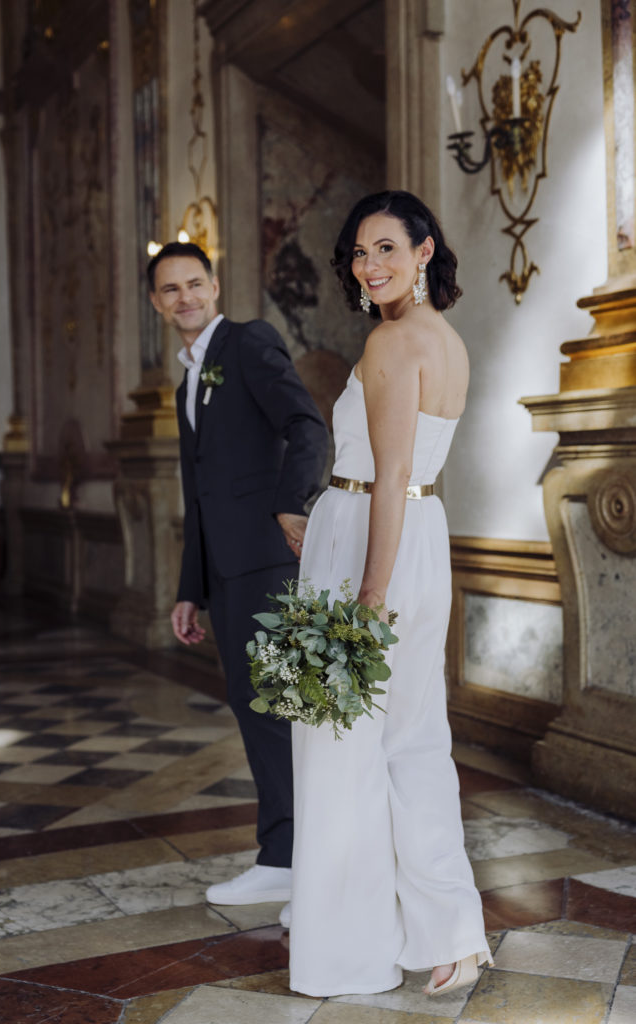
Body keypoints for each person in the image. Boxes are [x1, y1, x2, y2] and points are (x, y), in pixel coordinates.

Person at [287, 192, 492, 997]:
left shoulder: (390, 340)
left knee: (338, 746)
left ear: (424, 249)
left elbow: (388, 473)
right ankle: (451, 934)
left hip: (375, 544)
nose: (368, 267)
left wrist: (367, 590)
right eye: (357, 255)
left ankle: (348, 949)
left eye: (384, 249)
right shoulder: (446, 341)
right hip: (415, 537)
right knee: (411, 741)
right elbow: (406, 479)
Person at [148, 242, 327, 906]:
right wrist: (188, 588)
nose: (185, 297)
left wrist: (291, 504)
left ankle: (295, 857)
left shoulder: (249, 342)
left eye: (195, 283)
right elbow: (196, 491)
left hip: (267, 556)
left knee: (278, 709)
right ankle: (285, 854)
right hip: (223, 570)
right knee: (256, 709)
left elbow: (306, 426)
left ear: (216, 287)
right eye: (170, 289)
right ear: (156, 303)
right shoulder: (185, 381)